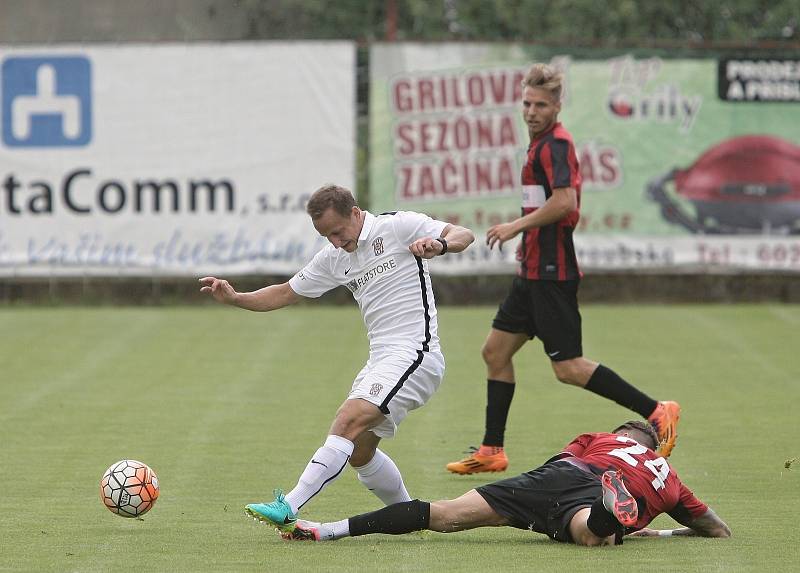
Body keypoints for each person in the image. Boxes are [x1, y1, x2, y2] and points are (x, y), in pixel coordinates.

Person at [446, 62, 680, 475]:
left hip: (552, 272)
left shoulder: (555, 144)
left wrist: (516, 226)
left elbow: (565, 202)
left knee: (568, 368)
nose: (531, 111)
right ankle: (492, 450)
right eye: (526, 103)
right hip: (532, 271)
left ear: (556, 105)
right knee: (494, 352)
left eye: (540, 104)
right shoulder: (539, 145)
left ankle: (657, 410)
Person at [200, 183, 475, 531]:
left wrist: (441, 244)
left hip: (416, 354)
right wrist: (236, 298)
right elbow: (285, 292)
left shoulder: (397, 226)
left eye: (338, 231)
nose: (334, 241)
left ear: (356, 213)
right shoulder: (334, 258)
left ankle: (289, 505)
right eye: (325, 235)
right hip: (382, 360)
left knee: (347, 419)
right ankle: (409, 516)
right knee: (360, 452)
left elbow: (463, 234)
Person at [278, 420, 731, 545]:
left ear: (625, 435)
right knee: (591, 536)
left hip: (563, 475)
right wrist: (664, 529)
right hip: (607, 494)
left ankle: (325, 530)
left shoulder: (601, 437)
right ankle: (608, 517)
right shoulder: (671, 480)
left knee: (445, 515)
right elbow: (716, 528)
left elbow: (559, 464)